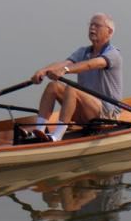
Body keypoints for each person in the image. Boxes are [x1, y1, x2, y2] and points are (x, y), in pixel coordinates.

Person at [29, 13, 123, 142]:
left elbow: (91, 64)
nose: (92, 28)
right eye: (91, 25)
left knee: (72, 89)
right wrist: (43, 71)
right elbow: (65, 63)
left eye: (97, 25)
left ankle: (57, 136)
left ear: (109, 31)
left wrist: (65, 71)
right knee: (53, 86)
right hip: (85, 112)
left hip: (107, 114)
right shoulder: (83, 51)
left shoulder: (113, 54)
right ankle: (39, 130)